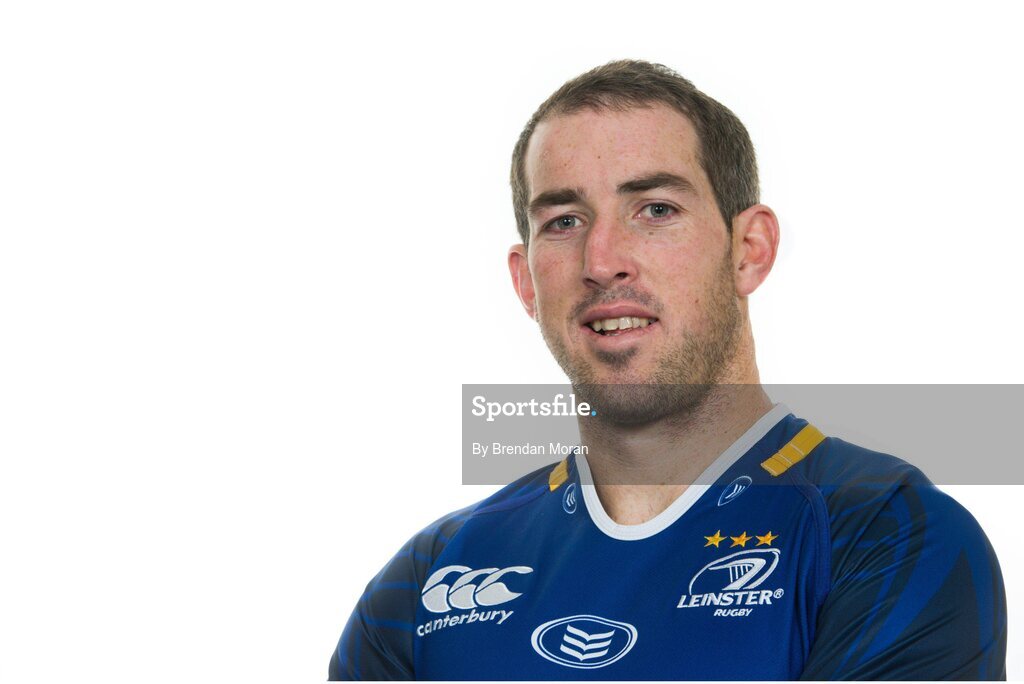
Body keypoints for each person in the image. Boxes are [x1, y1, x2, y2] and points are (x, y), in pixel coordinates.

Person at [328, 60, 1007, 680]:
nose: (602, 260)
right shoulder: (428, 581)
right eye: (563, 221)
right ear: (526, 281)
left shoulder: (887, 534)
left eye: (656, 210)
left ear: (749, 249)